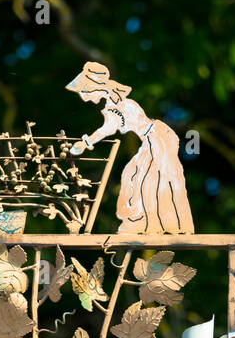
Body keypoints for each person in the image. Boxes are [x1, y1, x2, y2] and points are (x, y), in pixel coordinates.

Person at [67, 61, 194, 235]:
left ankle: (158, 224)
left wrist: (85, 143)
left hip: (157, 138)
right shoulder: (114, 104)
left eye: (85, 92)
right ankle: (151, 223)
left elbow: (106, 129)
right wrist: (86, 143)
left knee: (149, 179)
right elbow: (110, 128)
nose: (85, 97)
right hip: (155, 137)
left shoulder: (116, 106)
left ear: (94, 89)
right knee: (134, 175)